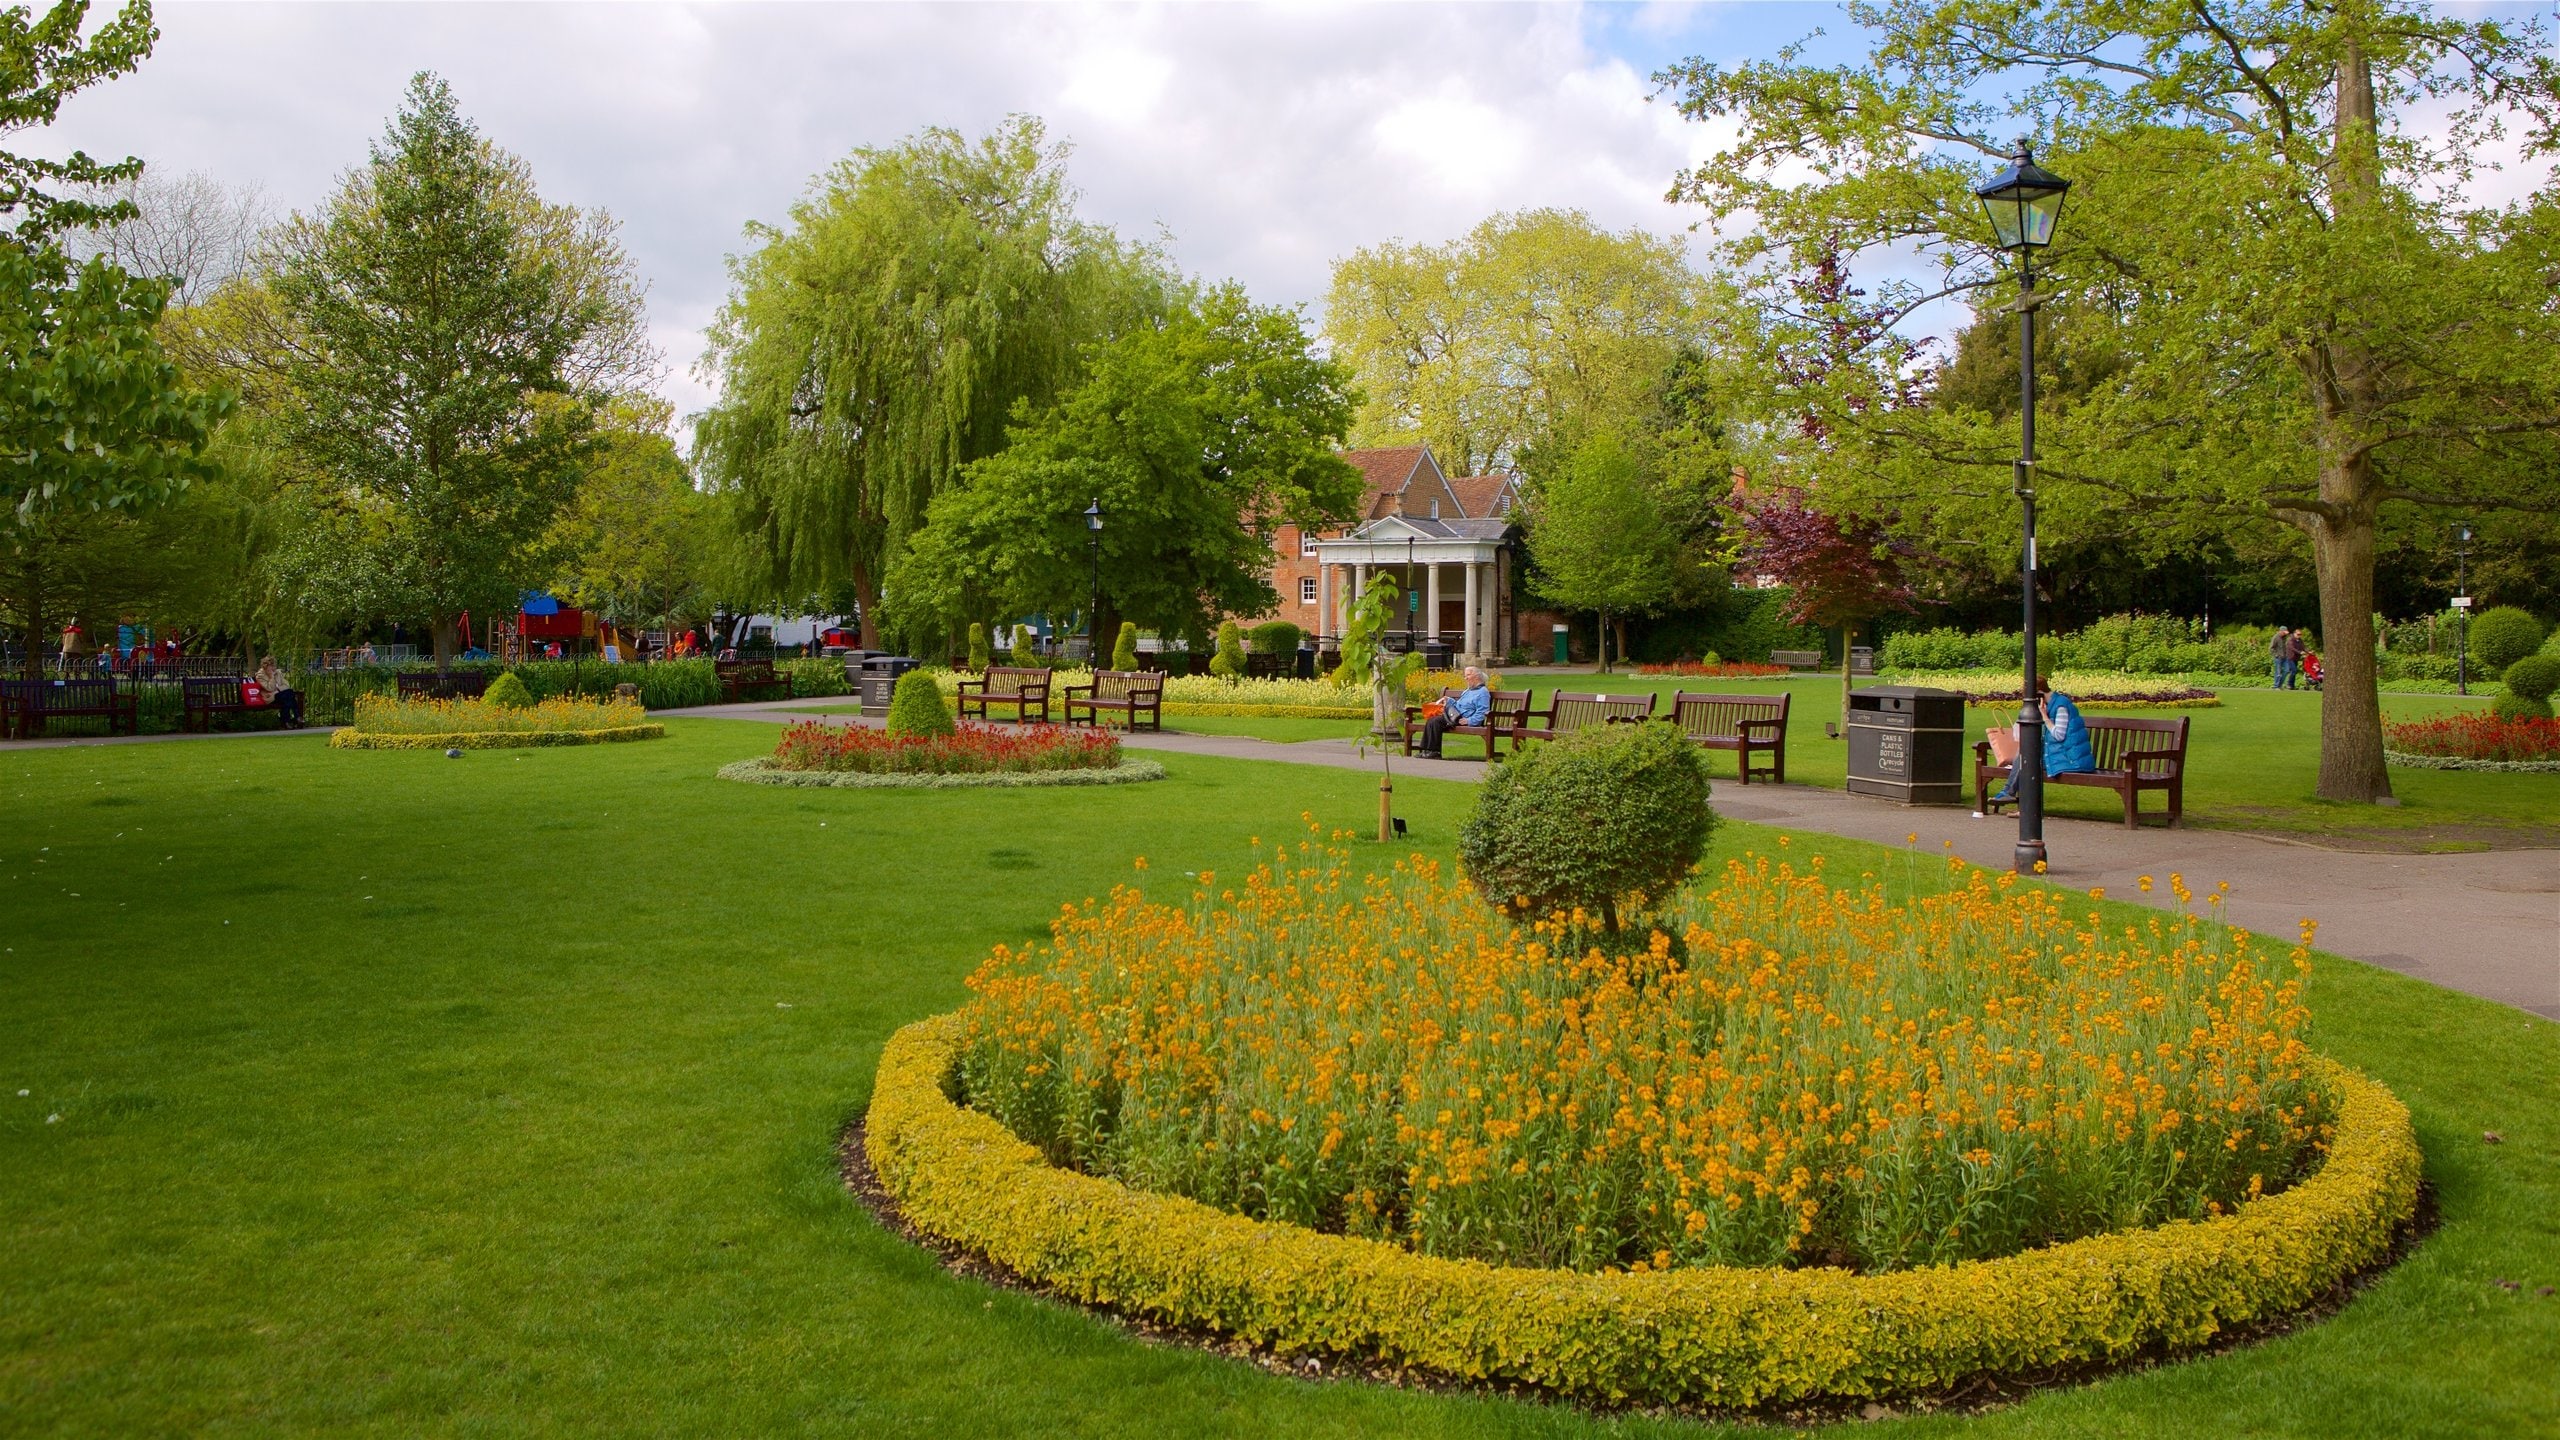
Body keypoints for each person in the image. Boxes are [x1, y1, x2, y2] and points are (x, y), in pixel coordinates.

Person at [1987, 676, 2093, 807]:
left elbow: (2059, 736)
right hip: (2057, 755)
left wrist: (2044, 717)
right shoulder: (2047, 705)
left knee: (2027, 761)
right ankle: (2018, 803)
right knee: (2026, 757)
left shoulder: (2061, 706)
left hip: (2071, 760)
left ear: (2039, 693)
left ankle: (2012, 796)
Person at [1413, 665, 1493, 757]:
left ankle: (1434, 752)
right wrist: (1449, 700)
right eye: (1465, 675)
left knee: (1436, 721)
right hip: (1454, 716)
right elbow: (1459, 705)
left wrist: (1469, 720)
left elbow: (1483, 712)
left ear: (1477, 676)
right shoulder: (1468, 691)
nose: (1465, 678)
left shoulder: (1483, 692)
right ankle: (1425, 750)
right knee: (1432, 720)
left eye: (1468, 675)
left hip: (1461, 719)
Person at [255, 656, 305, 728]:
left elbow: (287, 685)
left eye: (274, 665)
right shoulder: (260, 676)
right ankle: (296, 717)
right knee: (290, 695)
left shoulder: (278, 673)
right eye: (271, 666)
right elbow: (269, 688)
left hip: (278, 695)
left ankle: (286, 722)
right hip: (270, 698)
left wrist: (276, 691)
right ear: (265, 666)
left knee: (288, 695)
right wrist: (271, 677)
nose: (274, 668)